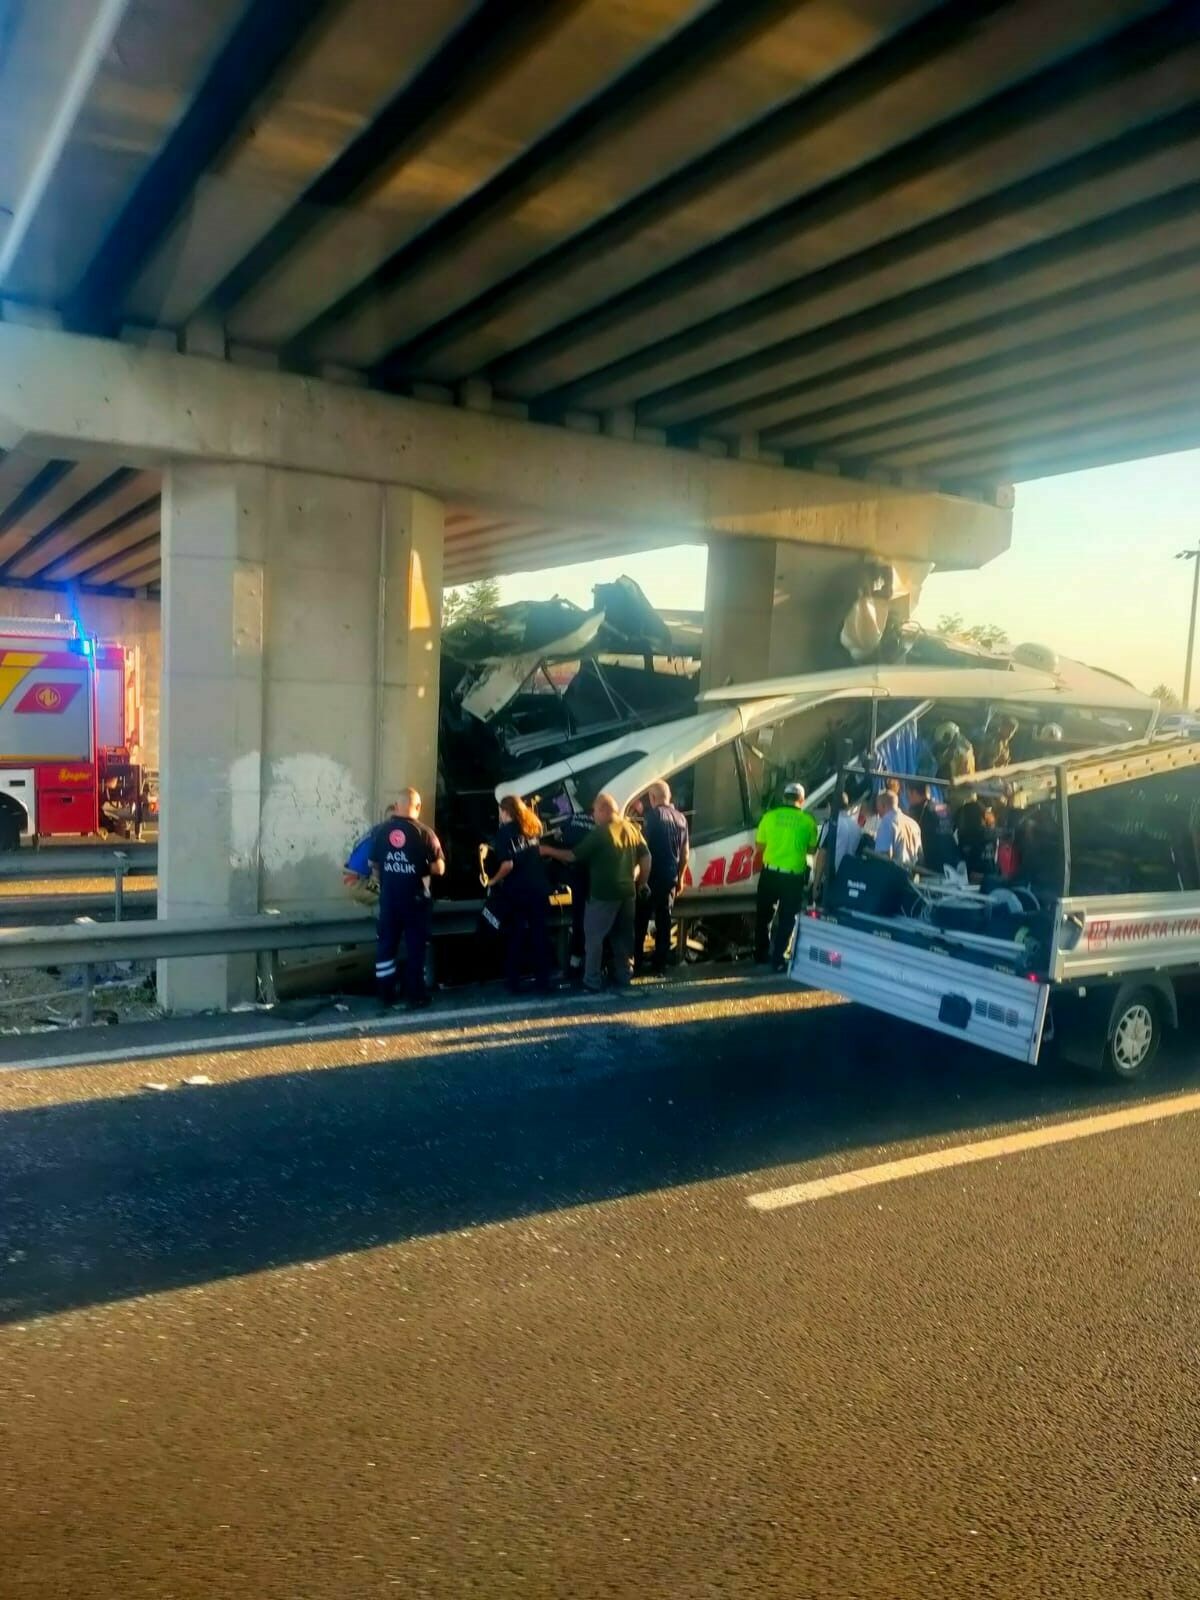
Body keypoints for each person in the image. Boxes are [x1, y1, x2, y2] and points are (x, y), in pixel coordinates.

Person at [540, 792, 650, 992]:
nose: (593, 817)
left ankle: (592, 980)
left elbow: (573, 856)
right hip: (627, 894)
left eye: (594, 812)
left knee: (594, 938)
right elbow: (646, 857)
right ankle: (624, 976)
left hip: (603, 894)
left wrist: (547, 851)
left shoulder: (601, 832)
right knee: (622, 937)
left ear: (603, 810)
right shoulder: (632, 828)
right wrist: (641, 882)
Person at [368, 787, 445, 1008]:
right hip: (415, 900)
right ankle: (416, 994)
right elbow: (440, 868)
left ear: (397, 805)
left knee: (386, 946)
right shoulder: (425, 833)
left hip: (390, 899)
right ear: (418, 807)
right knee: (416, 948)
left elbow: (373, 866)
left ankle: (386, 994)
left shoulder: (381, 832)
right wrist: (418, 868)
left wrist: (390, 874)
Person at [486, 794, 553, 995]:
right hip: (540, 889)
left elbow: (508, 864)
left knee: (516, 935)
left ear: (505, 811)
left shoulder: (504, 832)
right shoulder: (532, 829)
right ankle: (543, 982)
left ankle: (514, 982)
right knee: (540, 935)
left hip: (518, 891)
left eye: (500, 810)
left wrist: (493, 880)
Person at [755, 781, 819, 970]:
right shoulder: (808, 821)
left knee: (763, 915)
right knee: (787, 918)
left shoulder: (769, 817)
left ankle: (760, 955)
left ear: (784, 798)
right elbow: (812, 849)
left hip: (769, 873)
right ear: (801, 800)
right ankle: (778, 959)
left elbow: (759, 846)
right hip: (793, 877)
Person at [635, 779, 690, 975]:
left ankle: (638, 964)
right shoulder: (681, 819)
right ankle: (660, 965)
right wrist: (681, 877)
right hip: (670, 877)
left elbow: (642, 849)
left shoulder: (652, 816)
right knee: (664, 920)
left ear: (652, 797)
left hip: (651, 877)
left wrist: (639, 877)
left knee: (640, 920)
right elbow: (685, 854)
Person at [874, 789, 923, 867]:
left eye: (878, 807)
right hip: (910, 875)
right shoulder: (914, 824)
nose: (878, 813)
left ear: (883, 805)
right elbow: (920, 856)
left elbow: (883, 855)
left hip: (894, 874)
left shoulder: (887, 822)